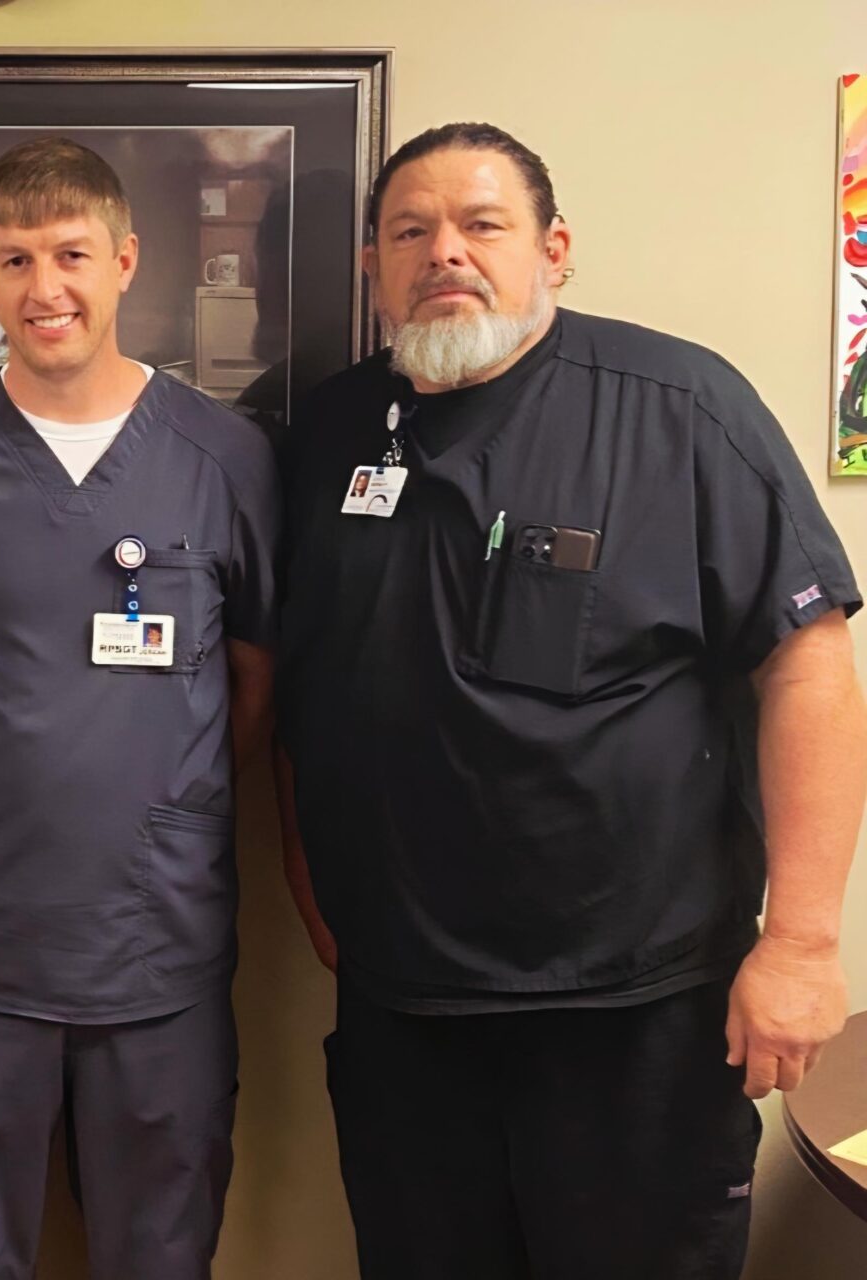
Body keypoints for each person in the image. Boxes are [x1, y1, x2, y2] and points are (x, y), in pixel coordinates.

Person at [275, 122, 867, 1280]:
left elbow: (808, 663)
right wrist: (308, 866)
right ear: (373, 267)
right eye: (410, 230)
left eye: (481, 224)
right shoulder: (327, 433)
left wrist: (800, 941)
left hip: (635, 1012)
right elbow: (304, 679)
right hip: (406, 1009)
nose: (445, 251)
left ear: (555, 248)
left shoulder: (679, 406)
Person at [0, 137, 279, 1280]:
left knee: (161, 1251)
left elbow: (250, 684)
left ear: (125, 260)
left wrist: (154, 803)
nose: (48, 288)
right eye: (17, 259)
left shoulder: (224, 457)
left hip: (160, 950)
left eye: (73, 254)